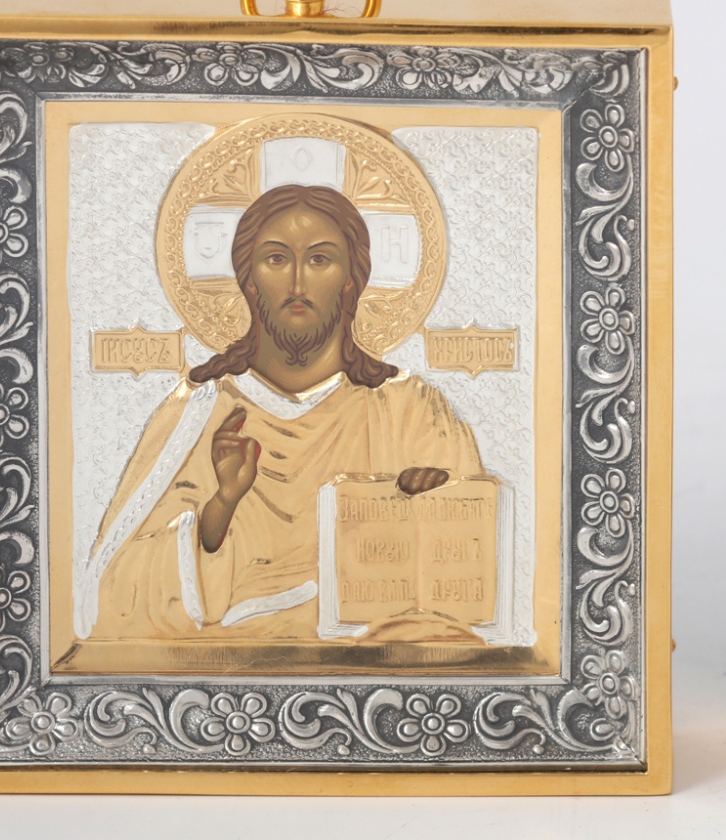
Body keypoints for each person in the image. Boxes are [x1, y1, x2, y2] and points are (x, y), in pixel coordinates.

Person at [79, 185, 483, 641]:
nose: (297, 285)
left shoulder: (410, 411)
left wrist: (434, 510)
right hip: (232, 660)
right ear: (249, 281)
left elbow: (473, 582)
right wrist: (220, 507)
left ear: (352, 281)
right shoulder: (200, 411)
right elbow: (112, 594)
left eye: (319, 260)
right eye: (276, 259)